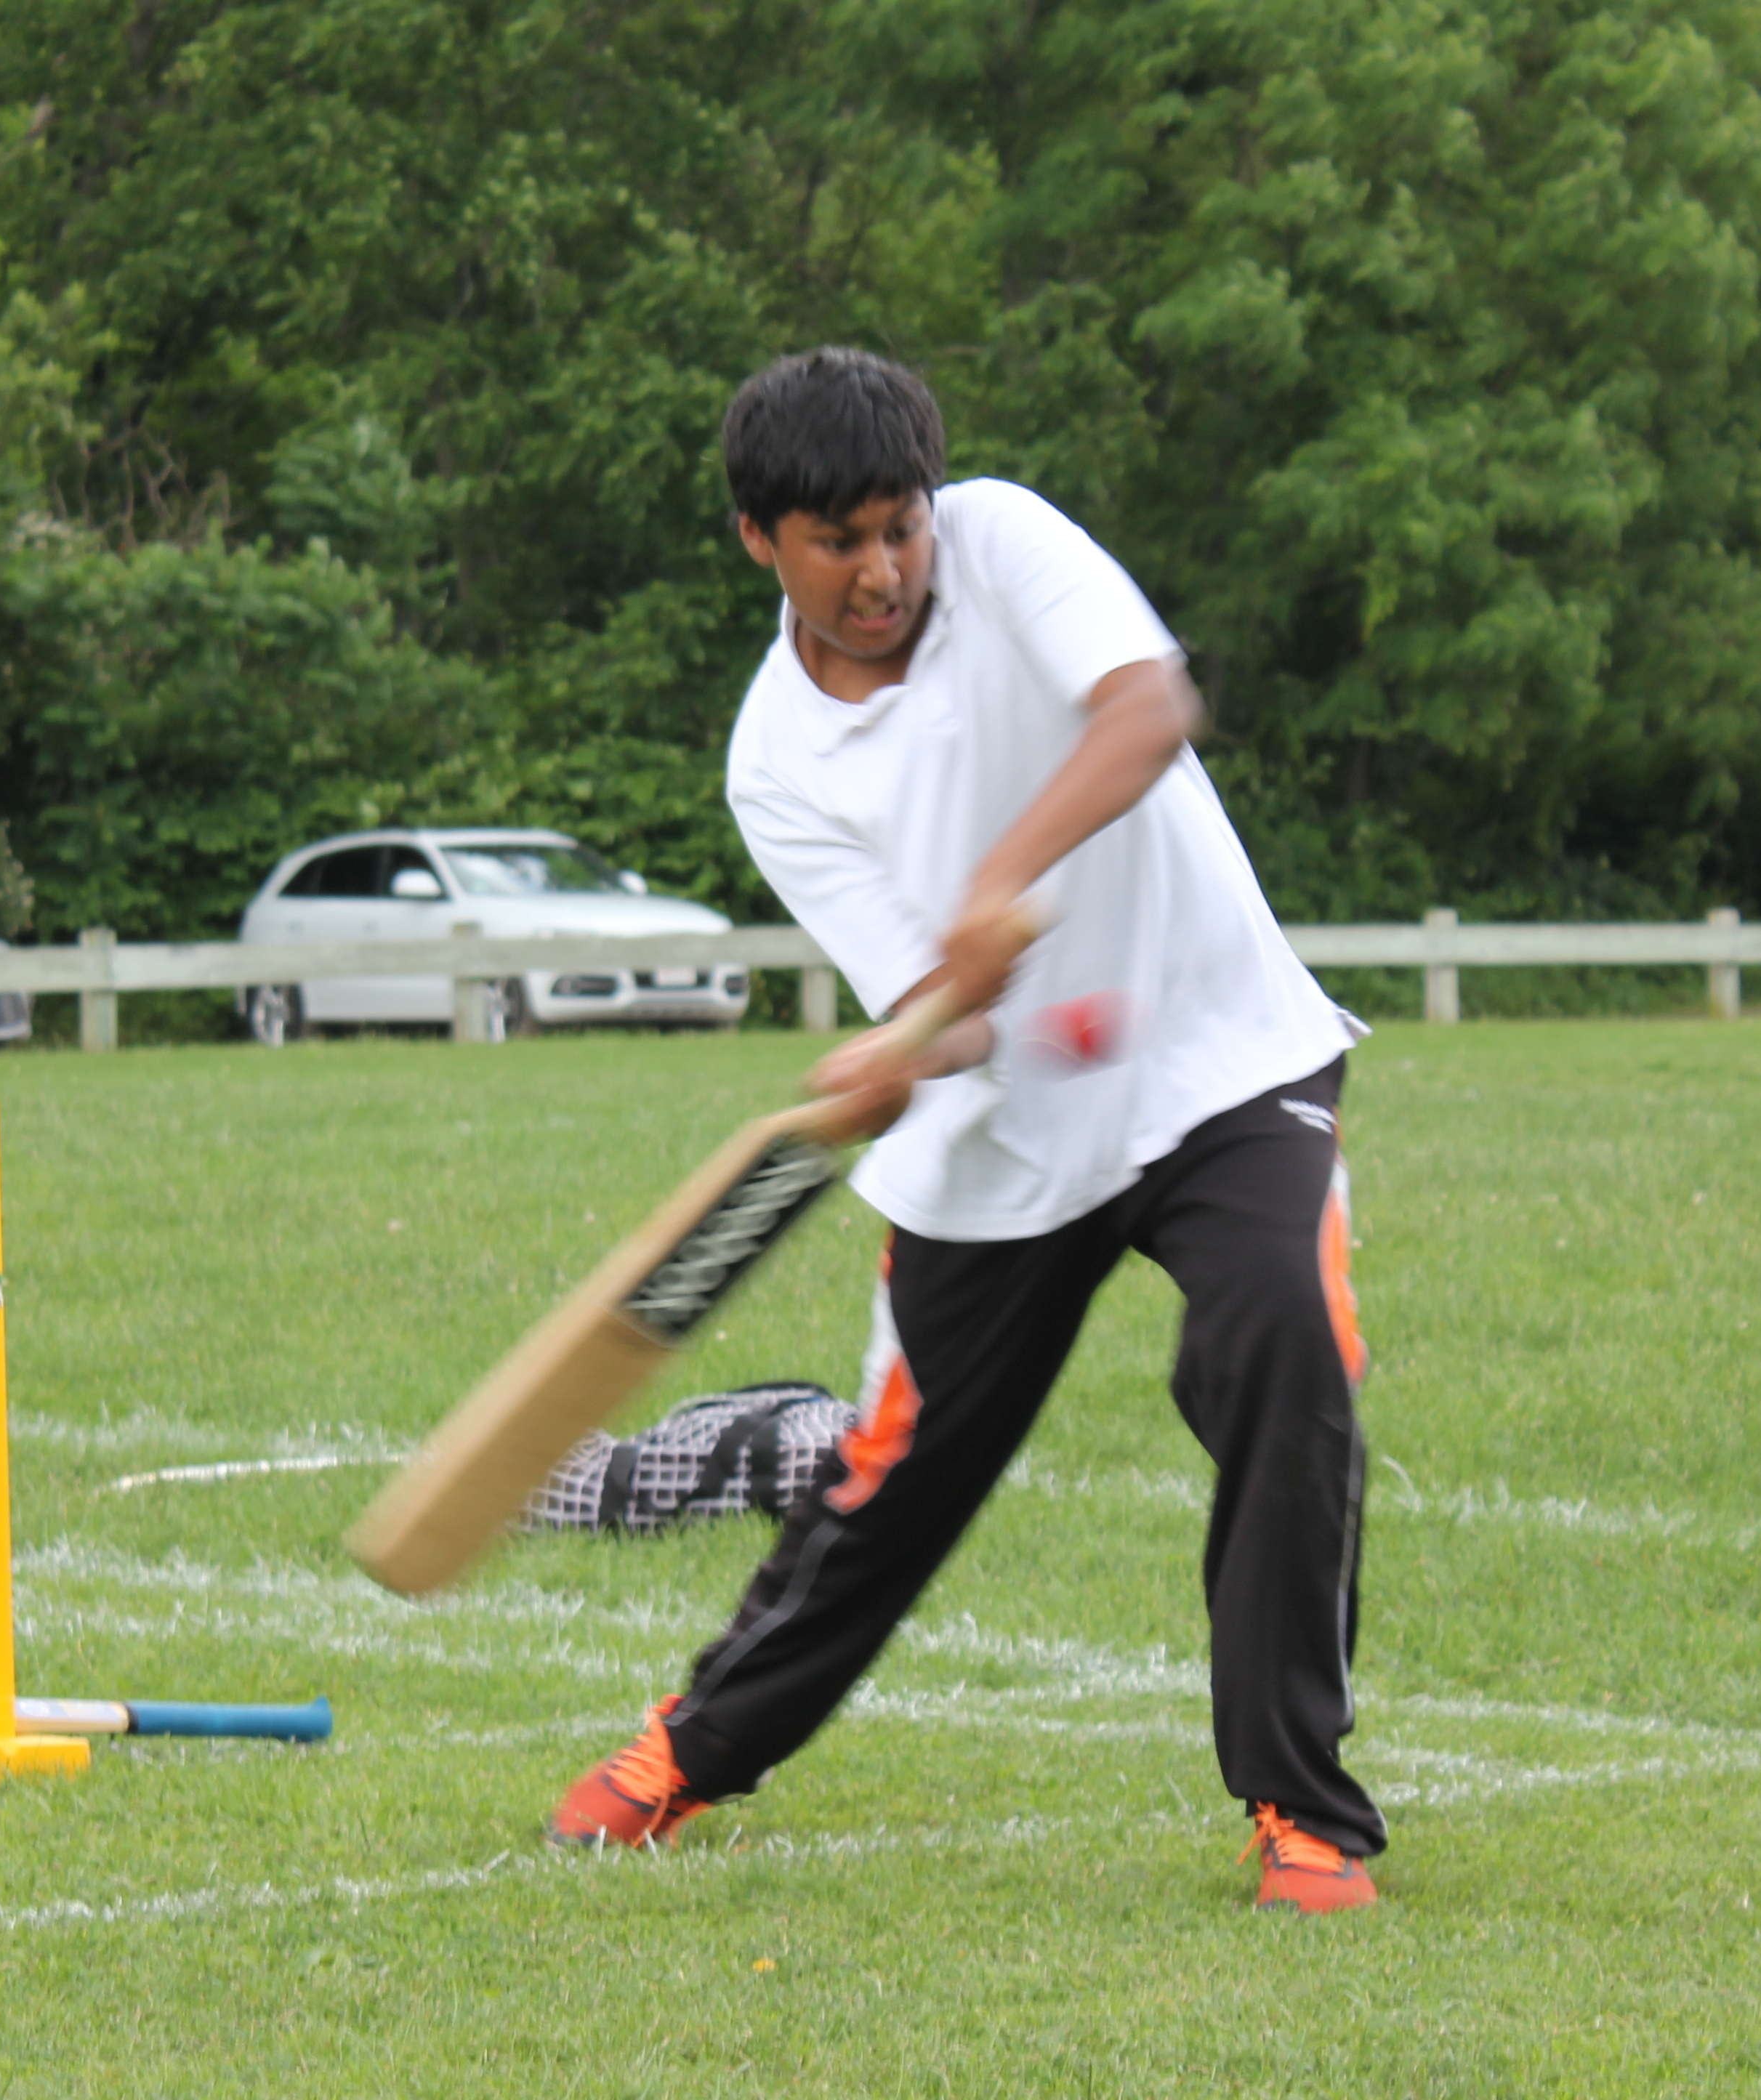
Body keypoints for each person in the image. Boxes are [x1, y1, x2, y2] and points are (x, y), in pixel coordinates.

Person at [545, 349, 1386, 1914]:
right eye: (837, 542)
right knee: (895, 1484)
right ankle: (694, 1746)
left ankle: (1302, 1805)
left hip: (1219, 1054)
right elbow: (962, 1014)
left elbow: (1148, 709)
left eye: (897, 527)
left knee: (1285, 1343)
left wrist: (1002, 876)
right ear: (757, 542)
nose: (882, 570)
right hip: (1009, 1132)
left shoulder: (1003, 540)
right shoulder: (773, 764)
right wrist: (918, 1034)